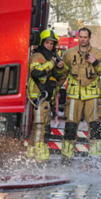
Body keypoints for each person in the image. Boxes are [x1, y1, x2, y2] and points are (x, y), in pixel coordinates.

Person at [62, 27, 101, 157]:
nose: (82, 40)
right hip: (73, 95)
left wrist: (95, 62)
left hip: (92, 95)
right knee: (70, 126)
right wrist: (54, 89)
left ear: (89, 38)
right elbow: (62, 73)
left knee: (94, 127)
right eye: (80, 37)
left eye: (85, 37)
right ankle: (67, 157)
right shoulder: (69, 54)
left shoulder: (97, 53)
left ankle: (95, 158)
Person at [27, 29, 66, 163]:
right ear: (42, 43)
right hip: (38, 96)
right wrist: (52, 64)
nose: (50, 45)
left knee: (39, 125)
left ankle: (31, 154)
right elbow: (36, 72)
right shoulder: (38, 56)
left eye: (52, 43)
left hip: (45, 96)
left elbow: (57, 76)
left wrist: (59, 67)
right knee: (40, 126)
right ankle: (40, 157)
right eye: (47, 43)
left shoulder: (51, 57)